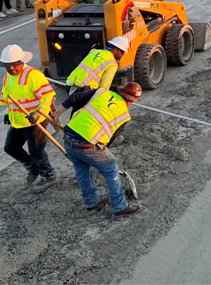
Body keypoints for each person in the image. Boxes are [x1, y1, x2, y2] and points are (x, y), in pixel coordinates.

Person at [51, 82, 143, 217]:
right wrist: (101, 157)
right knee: (111, 169)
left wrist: (57, 114)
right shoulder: (124, 115)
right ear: (131, 101)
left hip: (68, 137)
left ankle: (92, 203)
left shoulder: (102, 92)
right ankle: (120, 206)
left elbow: (74, 97)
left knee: (82, 170)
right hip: (87, 144)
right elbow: (110, 140)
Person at [0, 44, 56, 188]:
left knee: (36, 150)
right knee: (10, 147)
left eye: (14, 65)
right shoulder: (7, 77)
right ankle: (33, 168)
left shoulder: (33, 75)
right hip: (18, 121)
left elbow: (48, 96)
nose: (11, 68)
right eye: (8, 65)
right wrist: (7, 112)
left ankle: (48, 175)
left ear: (21, 62)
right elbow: (10, 97)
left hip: (36, 122)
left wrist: (37, 112)